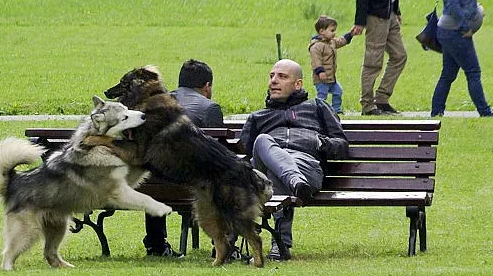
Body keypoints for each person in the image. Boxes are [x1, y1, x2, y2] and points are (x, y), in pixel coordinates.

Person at [241, 59, 348, 260]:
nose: (274, 81)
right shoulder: (258, 117)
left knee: (276, 173)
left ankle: (280, 244)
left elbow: (342, 146)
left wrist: (321, 143)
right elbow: (243, 155)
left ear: (298, 84)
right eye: (272, 76)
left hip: (306, 167)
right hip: (268, 175)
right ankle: (294, 184)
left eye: (282, 76)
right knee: (264, 141)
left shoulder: (316, 107)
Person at [143, 59, 224, 258]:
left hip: (151, 185)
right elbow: (217, 154)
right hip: (191, 184)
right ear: (207, 86)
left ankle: (156, 244)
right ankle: (221, 243)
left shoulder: (155, 104)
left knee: (157, 167)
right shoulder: (210, 108)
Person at [308, 15, 354, 115]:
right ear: (322, 31)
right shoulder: (316, 46)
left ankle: (336, 110)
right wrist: (320, 71)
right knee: (322, 95)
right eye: (332, 31)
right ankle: (319, 111)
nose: (334, 33)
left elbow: (341, 41)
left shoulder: (331, 42)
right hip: (322, 78)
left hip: (331, 78)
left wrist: (350, 34)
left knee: (338, 91)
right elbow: (316, 61)